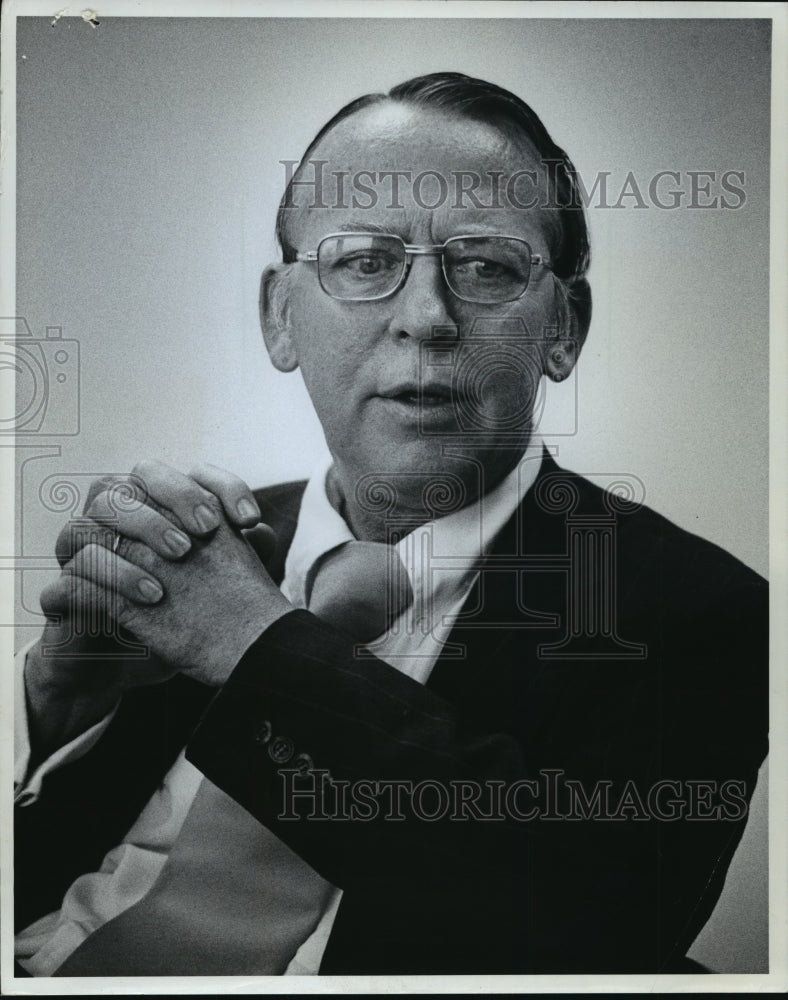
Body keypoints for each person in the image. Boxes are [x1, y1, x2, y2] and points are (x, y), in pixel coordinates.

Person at [14, 72, 768, 976]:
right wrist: (54, 715)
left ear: (564, 329)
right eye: (365, 261)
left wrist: (257, 648)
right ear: (280, 317)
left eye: (487, 266)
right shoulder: (194, 550)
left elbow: (600, 939)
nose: (426, 319)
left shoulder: (698, 613)